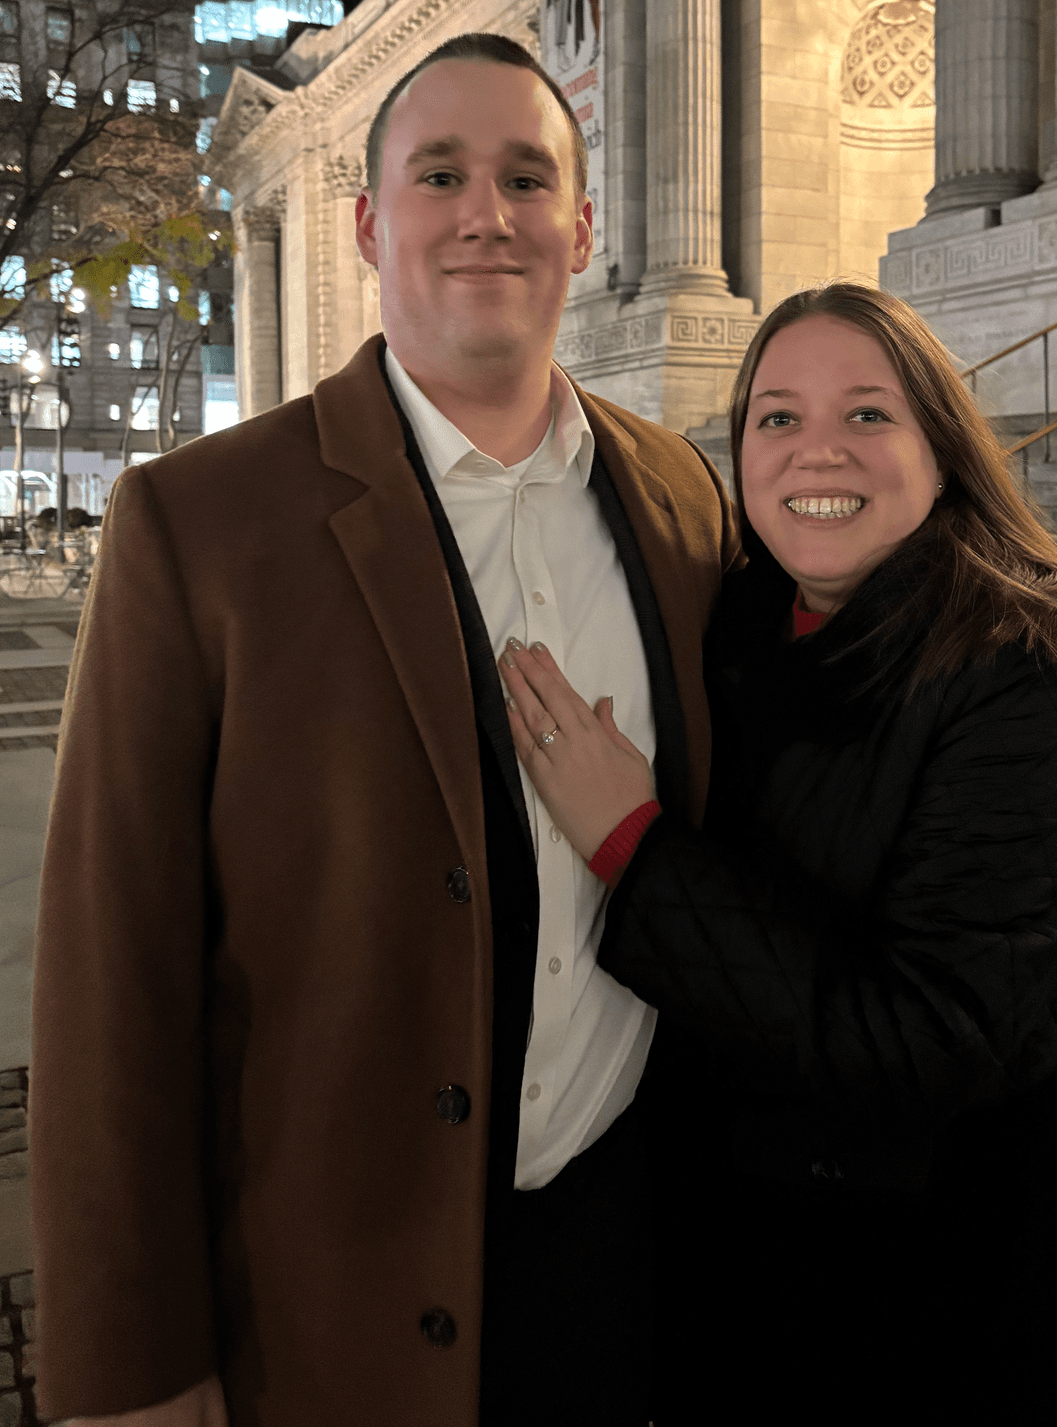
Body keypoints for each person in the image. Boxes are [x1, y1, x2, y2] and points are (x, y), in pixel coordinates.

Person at [29, 33, 739, 1427]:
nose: (489, 211)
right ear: (367, 225)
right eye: (440, 173)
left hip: (622, 1258)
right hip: (330, 1305)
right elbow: (113, 973)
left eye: (528, 176)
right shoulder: (199, 525)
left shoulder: (681, 500)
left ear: (582, 229)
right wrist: (134, 1368)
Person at [500, 281, 1057, 1426]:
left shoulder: (1036, 663)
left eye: (869, 414)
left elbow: (926, 1038)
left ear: (941, 446)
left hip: (919, 1307)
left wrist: (633, 842)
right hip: (725, 1272)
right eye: (777, 417)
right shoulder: (739, 621)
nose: (820, 450)